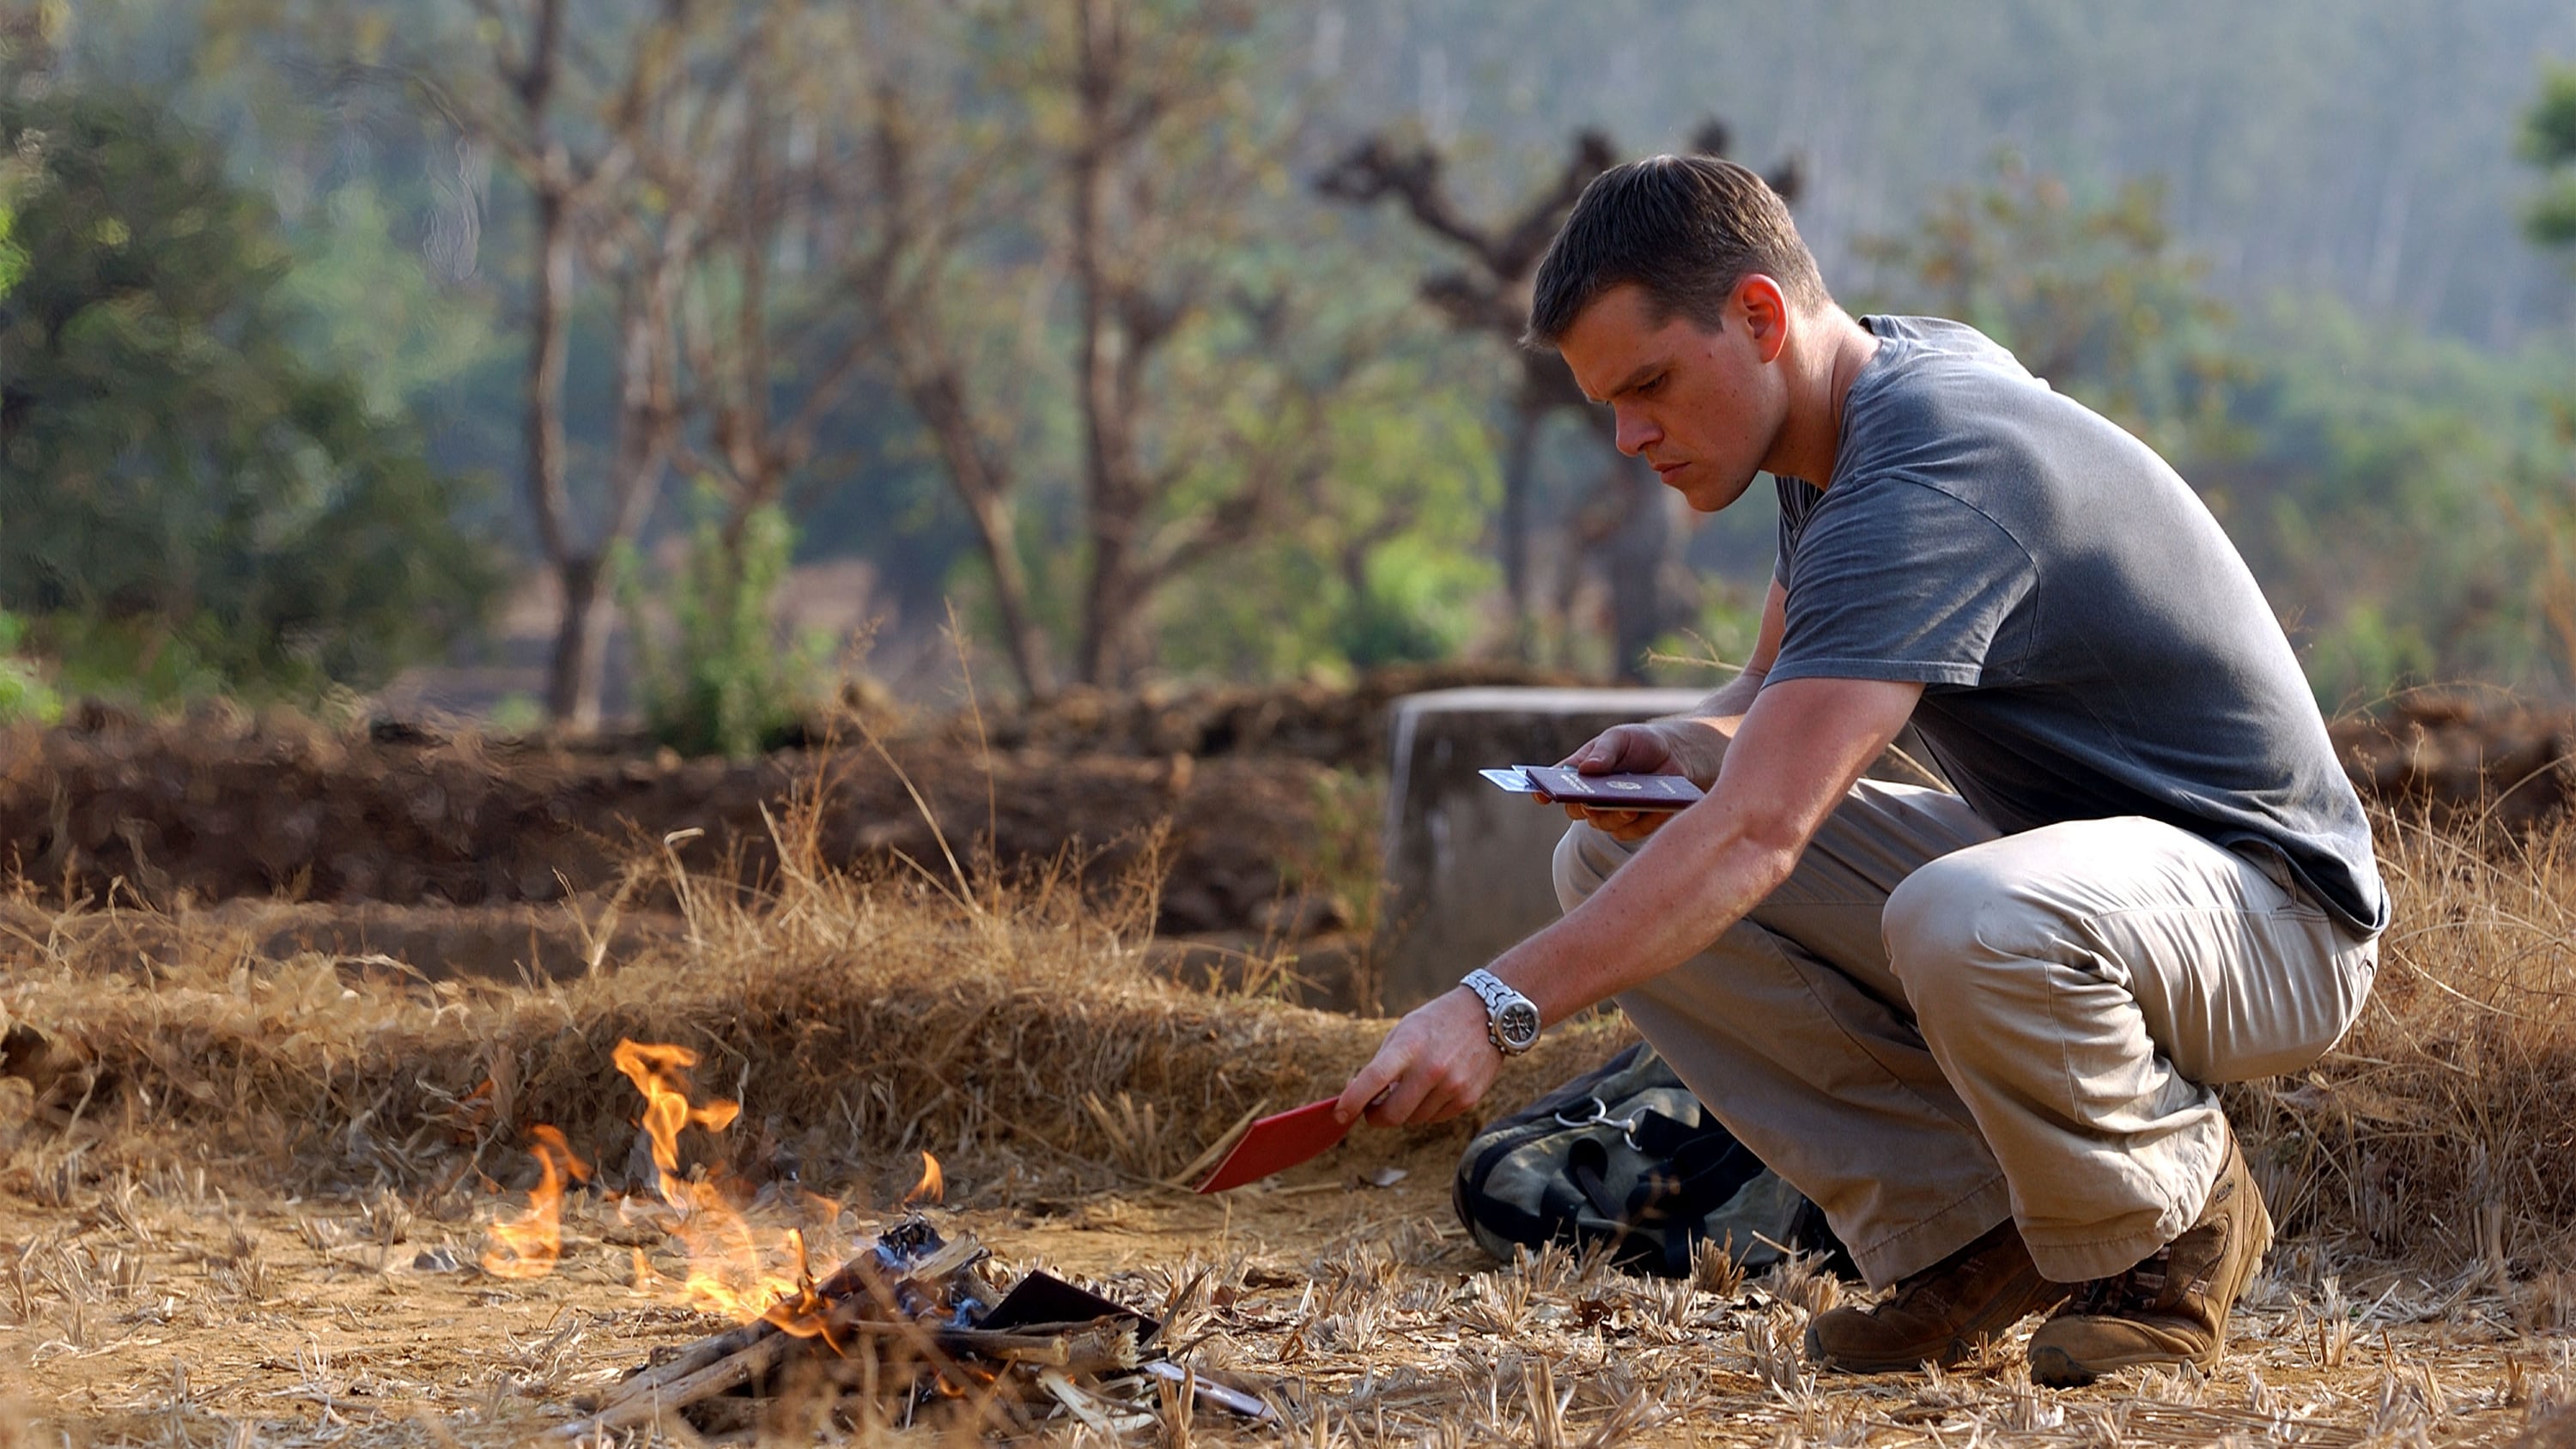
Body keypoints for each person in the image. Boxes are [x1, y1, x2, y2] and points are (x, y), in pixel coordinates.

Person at [1332, 155, 2385, 1386]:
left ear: (1761, 318)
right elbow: (1761, 702)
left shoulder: (1925, 470)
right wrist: (1690, 745)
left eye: (1651, 386)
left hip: (2271, 913)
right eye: (1609, 405)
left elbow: (1761, 833)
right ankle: (1976, 1233)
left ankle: (2171, 1222)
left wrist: (1488, 1007)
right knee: (1611, 846)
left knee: (1961, 915)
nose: (1629, 438)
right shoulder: (1850, 410)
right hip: (2096, 888)